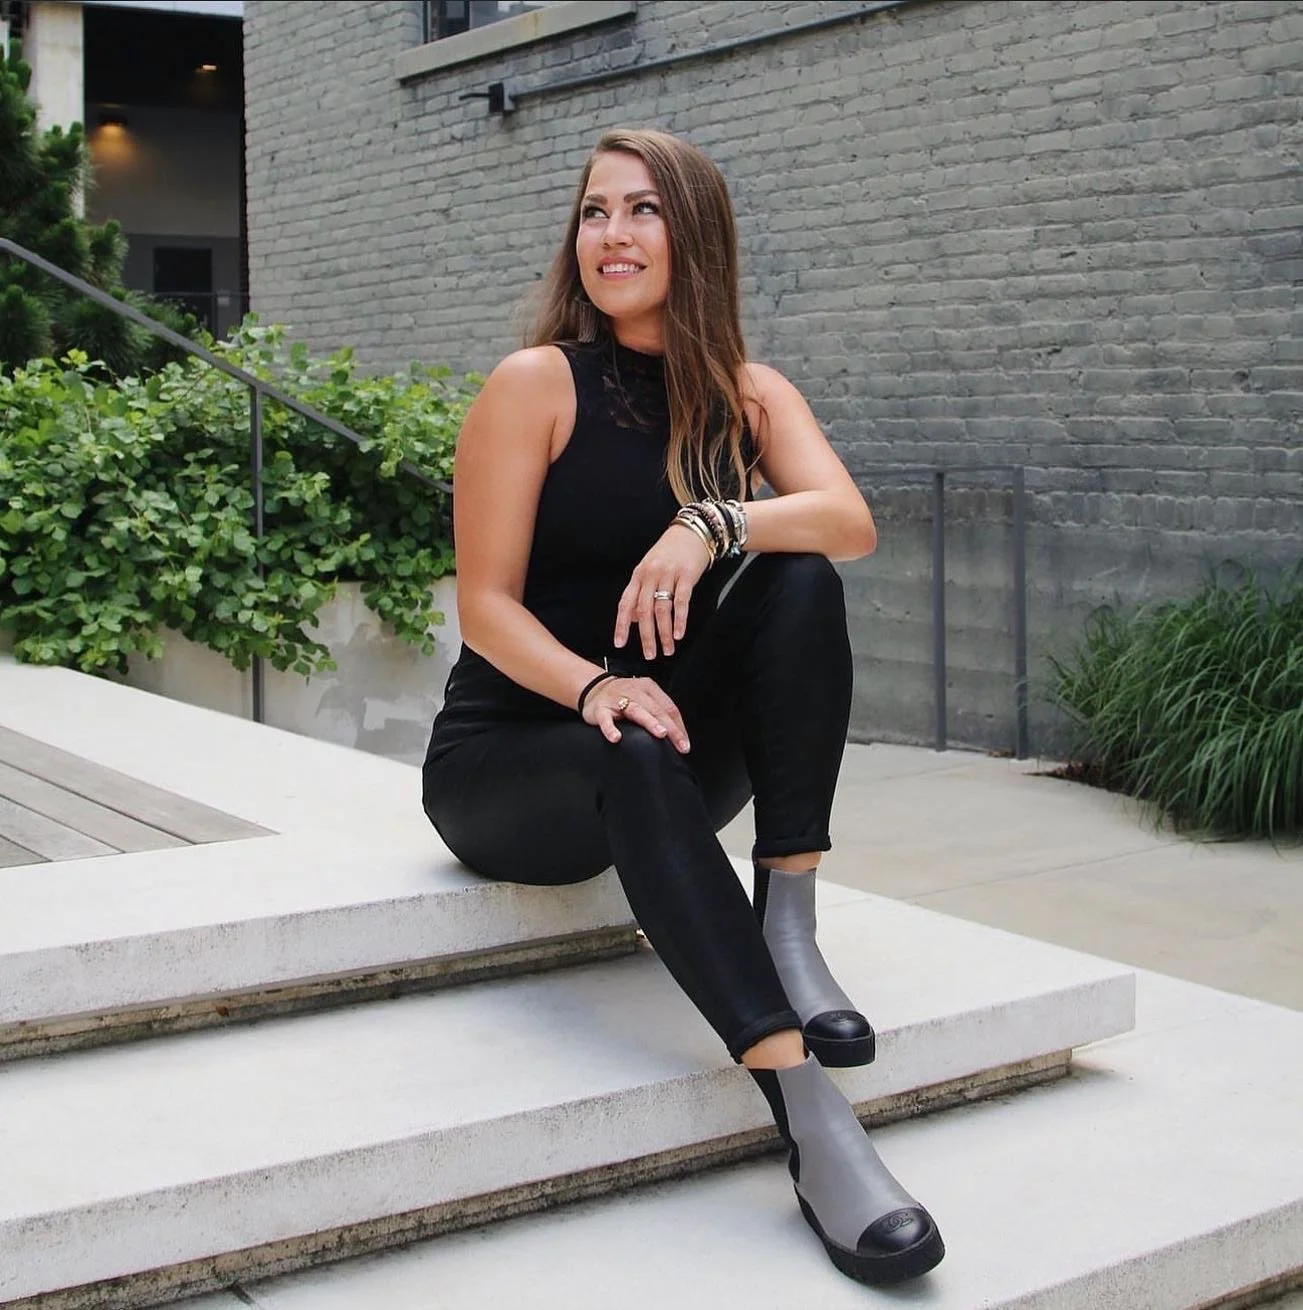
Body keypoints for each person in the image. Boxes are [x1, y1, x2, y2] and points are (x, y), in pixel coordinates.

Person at [422, 128, 944, 1287]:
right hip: (513, 756)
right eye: (594, 210)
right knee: (628, 737)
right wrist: (598, 684)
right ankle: (807, 1115)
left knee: (800, 576)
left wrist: (715, 520)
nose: (610, 234)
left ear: (693, 232)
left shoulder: (747, 397)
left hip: (661, 751)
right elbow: (487, 606)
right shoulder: (537, 384)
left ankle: (787, 921)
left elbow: (846, 520)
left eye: (641, 210)